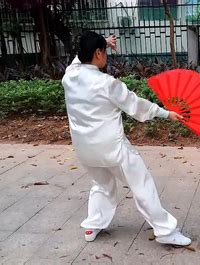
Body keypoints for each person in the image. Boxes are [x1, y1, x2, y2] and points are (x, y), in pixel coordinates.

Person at [61, 31, 191, 246]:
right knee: (142, 184)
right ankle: (166, 231)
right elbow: (136, 105)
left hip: (84, 149)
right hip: (112, 148)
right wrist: (167, 113)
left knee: (101, 185)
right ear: (98, 53)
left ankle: (93, 225)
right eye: (104, 51)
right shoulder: (107, 83)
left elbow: (79, 60)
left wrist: (103, 42)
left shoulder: (69, 76)